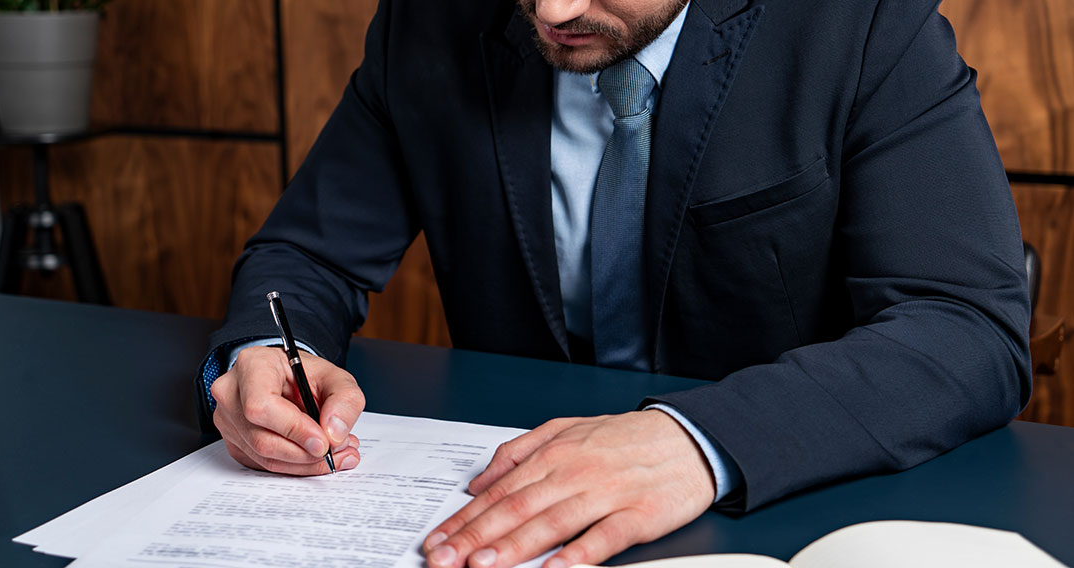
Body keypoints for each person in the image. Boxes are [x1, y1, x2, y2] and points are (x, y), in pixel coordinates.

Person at [197, 0, 1032, 567]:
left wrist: (692, 441)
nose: (553, 12)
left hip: (777, 501)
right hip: (496, 503)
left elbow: (965, 324)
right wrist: (271, 351)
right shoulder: (433, 16)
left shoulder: (862, 22)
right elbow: (310, 255)